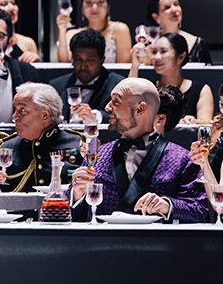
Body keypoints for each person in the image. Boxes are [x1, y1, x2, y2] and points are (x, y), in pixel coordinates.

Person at [69, 78, 206, 222]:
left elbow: (201, 211)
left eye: (116, 102)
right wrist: (76, 195)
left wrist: (168, 205)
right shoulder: (97, 155)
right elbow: (72, 217)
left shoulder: (182, 159)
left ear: (140, 109)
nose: (107, 107)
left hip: (156, 237)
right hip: (102, 236)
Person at [0, 83, 84, 192]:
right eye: (15, 110)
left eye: (22, 110)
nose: (14, 117)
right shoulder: (3, 149)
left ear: (45, 114)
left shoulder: (79, 146)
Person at [128, 32, 213, 124]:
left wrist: (193, 121)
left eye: (163, 51)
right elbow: (127, 109)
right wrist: (134, 66)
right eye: (154, 52)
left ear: (181, 57)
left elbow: (206, 123)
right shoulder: (148, 90)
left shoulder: (201, 90)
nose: (157, 57)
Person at [48, 28, 124, 123]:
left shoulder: (117, 85)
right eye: (78, 59)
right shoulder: (56, 86)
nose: (83, 66)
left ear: (102, 60)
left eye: (90, 60)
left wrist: (96, 116)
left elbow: (123, 117)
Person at [56, 0, 132, 63]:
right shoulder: (72, 34)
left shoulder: (120, 30)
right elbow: (63, 64)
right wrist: (62, 30)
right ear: (81, 6)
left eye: (100, 2)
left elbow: (123, 67)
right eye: (89, 2)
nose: (94, 7)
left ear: (108, 5)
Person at [146, 0, 210, 64]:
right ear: (156, 17)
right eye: (167, 7)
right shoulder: (148, 45)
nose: (174, 9)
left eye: (176, 4)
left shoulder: (198, 43)